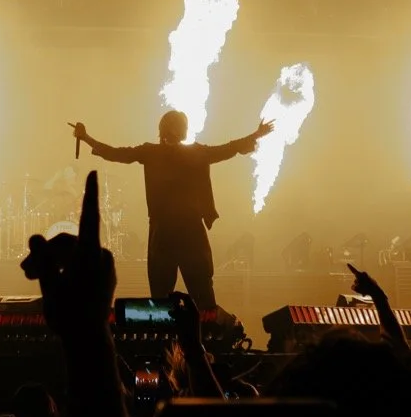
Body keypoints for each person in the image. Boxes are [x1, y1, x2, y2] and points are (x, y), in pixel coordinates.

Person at [66, 107, 274, 315]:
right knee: (202, 293)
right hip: (190, 230)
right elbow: (229, 148)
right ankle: (209, 338)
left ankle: (163, 342)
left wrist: (86, 138)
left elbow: (117, 153)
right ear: (183, 130)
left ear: (162, 130)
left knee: (160, 297)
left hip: (162, 231)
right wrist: (256, 135)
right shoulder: (196, 152)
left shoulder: (151, 152)